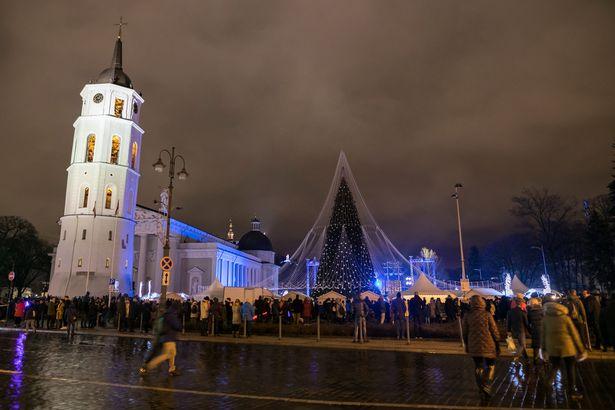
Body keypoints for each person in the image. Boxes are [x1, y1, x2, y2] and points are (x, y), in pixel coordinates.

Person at [542, 301, 586, 400]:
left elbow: (543, 335)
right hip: (567, 348)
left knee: (554, 367)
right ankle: (572, 391)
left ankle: (547, 383)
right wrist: (581, 349)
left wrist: (543, 349)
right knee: (570, 369)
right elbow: (574, 334)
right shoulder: (565, 318)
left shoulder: (546, 319)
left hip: (552, 348)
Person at [462, 295, 500, 400]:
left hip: (474, 345)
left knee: (478, 366)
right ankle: (487, 385)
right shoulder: (487, 314)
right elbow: (494, 330)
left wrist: (466, 344)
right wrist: (497, 342)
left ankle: (481, 387)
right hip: (489, 344)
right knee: (491, 365)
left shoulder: (467, 315)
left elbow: (464, 332)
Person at [140, 300, 181, 376]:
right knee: (166, 355)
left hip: (168, 337)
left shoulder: (168, 313)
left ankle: (172, 369)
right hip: (169, 338)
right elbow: (177, 326)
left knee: (172, 353)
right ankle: (148, 366)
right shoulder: (172, 314)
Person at [507, 295, 529, 360]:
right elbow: (526, 323)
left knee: (521, 345)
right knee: (522, 345)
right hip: (521, 330)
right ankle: (516, 356)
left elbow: (508, 322)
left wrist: (508, 331)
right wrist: (529, 331)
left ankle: (526, 358)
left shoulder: (510, 312)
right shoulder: (523, 312)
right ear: (521, 303)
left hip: (513, 330)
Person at [527, 297, 543, 364]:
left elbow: (528, 322)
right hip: (542, 330)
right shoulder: (542, 311)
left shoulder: (530, 312)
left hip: (534, 330)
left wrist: (530, 331)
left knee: (536, 346)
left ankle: (535, 360)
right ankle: (543, 359)